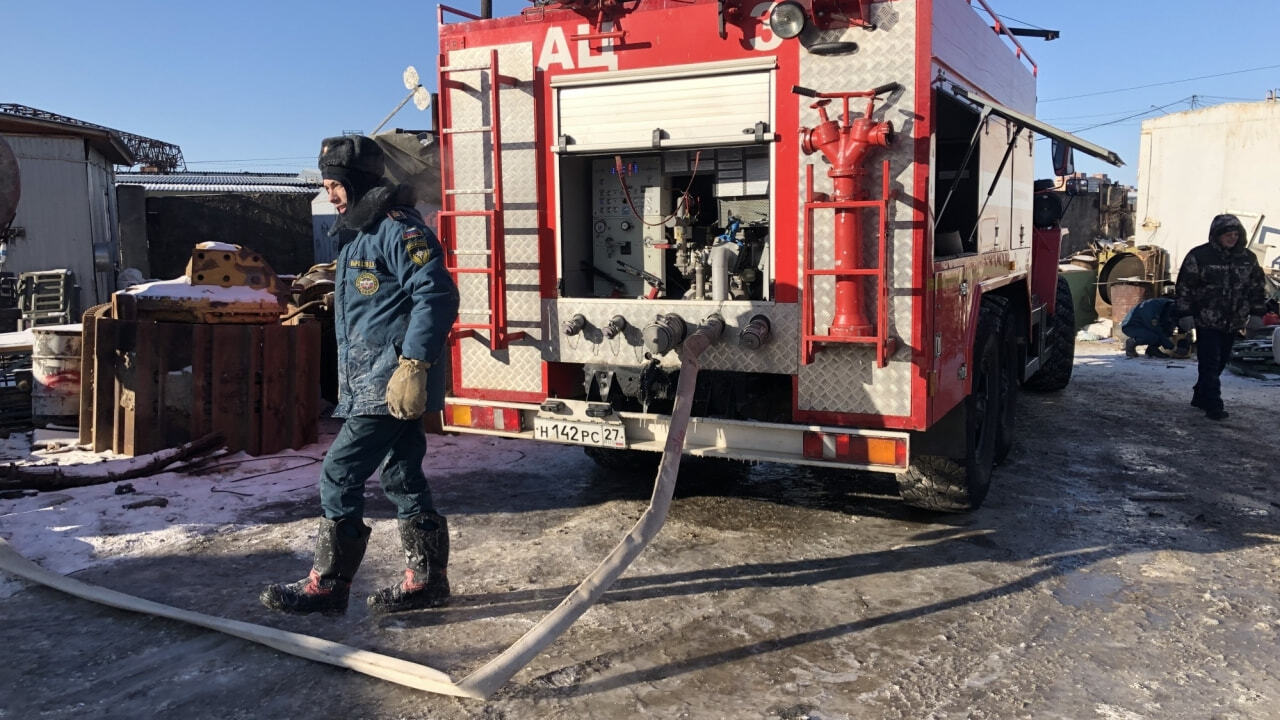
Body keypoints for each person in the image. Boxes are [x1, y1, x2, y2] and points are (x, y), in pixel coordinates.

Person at [261, 135, 460, 615]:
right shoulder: (360, 233)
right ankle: (427, 580)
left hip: (390, 382)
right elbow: (383, 299)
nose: (329, 194)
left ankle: (329, 584)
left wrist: (413, 364)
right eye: (326, 185)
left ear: (355, 181)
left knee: (340, 473)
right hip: (373, 380)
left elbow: (436, 295)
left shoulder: (396, 230)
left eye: (334, 184)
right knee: (402, 474)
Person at [1174, 213, 1267, 421]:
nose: (1232, 238)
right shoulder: (1200, 256)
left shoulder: (1247, 259)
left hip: (1233, 321)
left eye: (1235, 234)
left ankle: (1200, 394)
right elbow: (1184, 287)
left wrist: (1257, 313)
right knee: (1209, 362)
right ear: (1217, 235)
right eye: (1228, 234)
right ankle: (1213, 404)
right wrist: (1185, 313)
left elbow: (1256, 288)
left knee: (1221, 362)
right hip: (1206, 319)